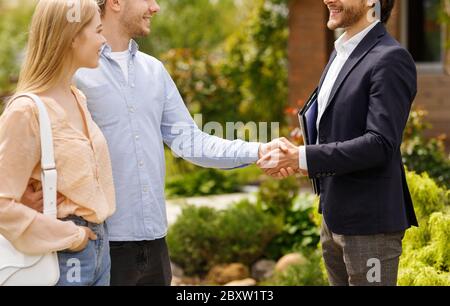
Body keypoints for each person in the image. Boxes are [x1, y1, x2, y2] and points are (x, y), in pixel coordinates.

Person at [22, 0, 285, 286]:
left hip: (155, 246)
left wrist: (258, 150)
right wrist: (22, 195)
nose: (155, 7)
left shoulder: (154, 70)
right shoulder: (73, 71)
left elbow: (189, 141)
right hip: (95, 244)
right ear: (116, 3)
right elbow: (29, 139)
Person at [258, 0, 418, 286]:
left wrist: (302, 157)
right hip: (333, 216)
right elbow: (335, 131)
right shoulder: (342, 51)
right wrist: (299, 159)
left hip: (371, 225)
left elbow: (380, 143)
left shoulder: (390, 58)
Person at [0, 0, 115, 286]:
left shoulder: (78, 97)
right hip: (63, 254)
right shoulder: (25, 110)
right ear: (73, 36)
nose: (104, 40)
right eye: (98, 31)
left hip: (99, 245)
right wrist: (72, 237)